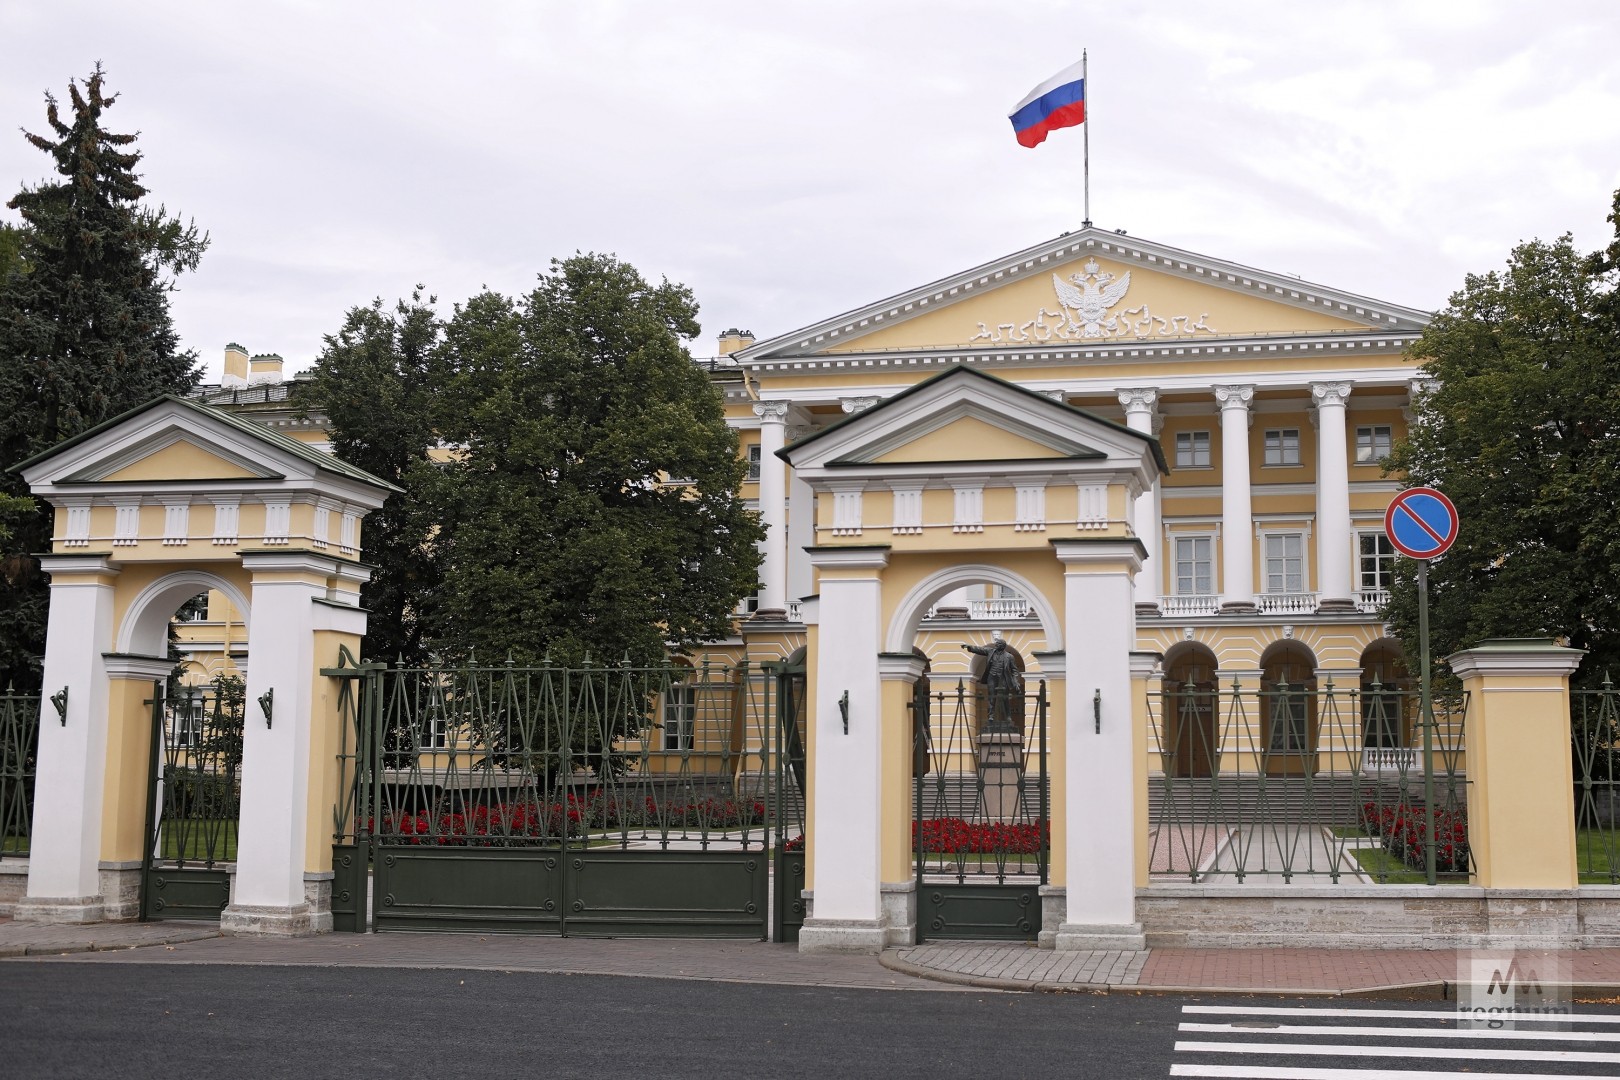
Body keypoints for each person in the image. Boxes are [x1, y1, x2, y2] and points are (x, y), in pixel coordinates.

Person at [961, 639, 1022, 731]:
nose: (996, 645)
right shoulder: (991, 651)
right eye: (996, 644)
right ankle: (991, 716)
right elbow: (981, 650)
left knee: (1005, 698)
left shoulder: (1009, 657)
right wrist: (970, 647)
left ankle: (1008, 717)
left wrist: (1016, 681)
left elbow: (1014, 670)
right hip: (992, 677)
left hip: (1003, 678)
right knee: (991, 697)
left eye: (998, 644)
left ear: (1002, 646)